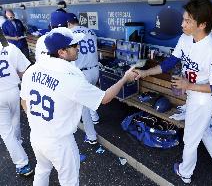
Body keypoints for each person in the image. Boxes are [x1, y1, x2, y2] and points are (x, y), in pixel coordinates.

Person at [134, 0, 212, 184]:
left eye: (188, 21)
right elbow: (170, 62)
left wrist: (188, 86)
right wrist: (145, 72)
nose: (182, 24)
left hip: (204, 98)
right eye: (183, 19)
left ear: (202, 24)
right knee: (202, 131)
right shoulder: (186, 37)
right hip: (193, 93)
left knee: (190, 138)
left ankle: (185, 173)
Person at [20, 27, 137, 186]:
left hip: (37, 135)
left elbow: (24, 101)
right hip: (60, 143)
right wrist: (124, 79)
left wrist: (37, 122)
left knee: (42, 170)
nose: (78, 48)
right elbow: (105, 99)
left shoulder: (32, 70)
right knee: (69, 182)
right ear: (62, 52)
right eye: (74, 46)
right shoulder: (70, 79)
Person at [0, 39, 33, 176]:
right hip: (13, 90)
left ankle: (22, 164)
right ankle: (18, 143)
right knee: (15, 121)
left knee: (6, 132)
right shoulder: (10, 47)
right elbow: (24, 71)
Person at [67, 12, 99, 144]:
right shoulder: (90, 31)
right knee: (91, 95)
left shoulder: (69, 34)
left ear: (68, 23)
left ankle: (91, 137)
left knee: (83, 108)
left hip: (82, 73)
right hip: (95, 70)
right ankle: (95, 116)